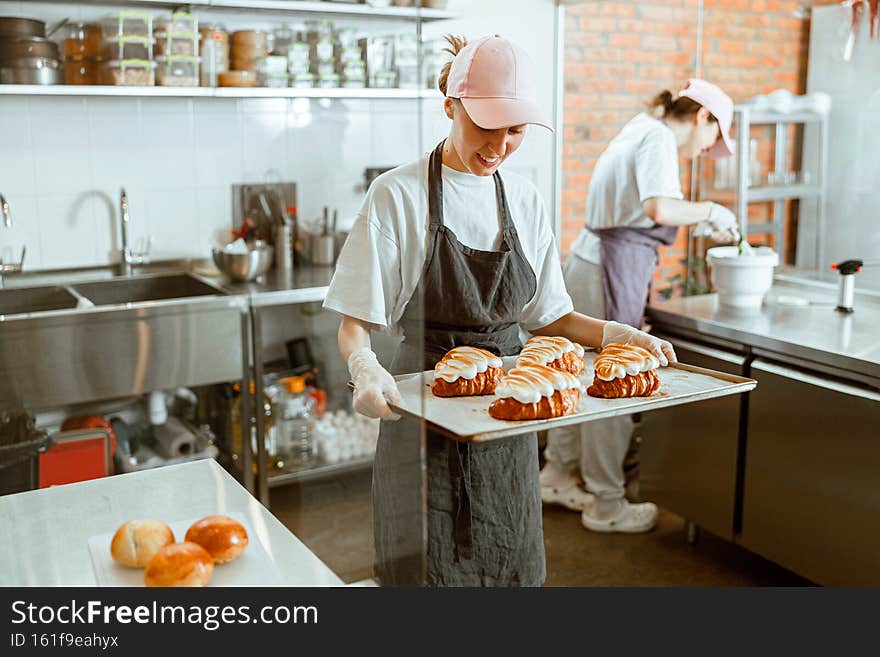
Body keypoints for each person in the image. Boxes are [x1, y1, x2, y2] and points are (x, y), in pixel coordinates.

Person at [323, 34, 676, 586]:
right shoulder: (398, 195)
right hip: (423, 414)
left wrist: (615, 333)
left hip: (513, 410)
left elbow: (551, 317)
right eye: (486, 126)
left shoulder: (525, 199)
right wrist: (365, 370)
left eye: (515, 131)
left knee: (508, 568)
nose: (500, 145)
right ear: (450, 108)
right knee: (426, 574)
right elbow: (355, 326)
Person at [540, 79, 738, 534]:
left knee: (578, 372)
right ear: (702, 117)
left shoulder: (638, 127)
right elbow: (659, 208)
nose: (707, 150)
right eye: (714, 138)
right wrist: (710, 211)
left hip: (588, 260)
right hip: (610, 267)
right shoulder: (659, 138)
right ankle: (606, 503)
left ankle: (554, 474)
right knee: (613, 380)